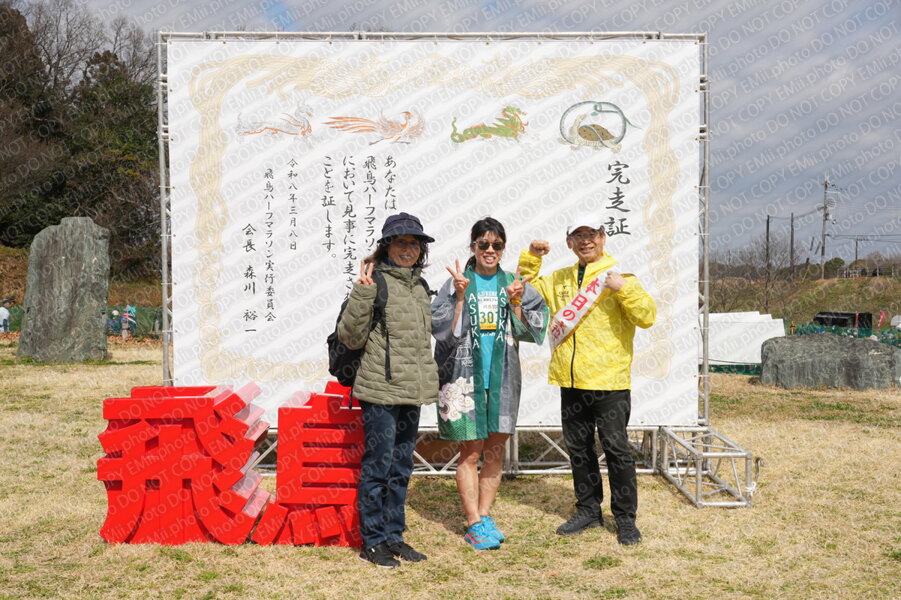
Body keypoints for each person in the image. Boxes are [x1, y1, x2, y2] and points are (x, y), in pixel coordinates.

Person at [518, 214, 656, 545]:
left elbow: (647, 316)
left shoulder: (620, 277)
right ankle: (588, 510)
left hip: (610, 381)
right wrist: (532, 258)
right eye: (578, 236)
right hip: (571, 380)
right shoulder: (559, 279)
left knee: (617, 450)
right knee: (579, 449)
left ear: (603, 238)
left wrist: (624, 290)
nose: (585, 241)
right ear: (569, 243)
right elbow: (523, 291)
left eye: (591, 234)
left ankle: (625, 518)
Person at [431, 217, 548, 550]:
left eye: (497, 245)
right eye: (483, 244)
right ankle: (472, 522)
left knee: (495, 452)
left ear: (503, 248)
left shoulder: (513, 283)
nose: (490, 250)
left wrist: (515, 303)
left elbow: (535, 325)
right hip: (464, 378)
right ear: (472, 246)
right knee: (469, 454)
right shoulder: (457, 282)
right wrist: (459, 297)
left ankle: (484, 516)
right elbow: (438, 327)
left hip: (502, 378)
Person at [337, 212, 439, 568]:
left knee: (401, 468)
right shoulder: (374, 282)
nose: (408, 249)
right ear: (386, 246)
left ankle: (394, 536)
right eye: (400, 242)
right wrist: (362, 293)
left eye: (414, 243)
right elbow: (350, 337)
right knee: (378, 468)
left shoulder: (421, 286)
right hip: (380, 392)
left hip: (411, 391)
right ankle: (373, 541)